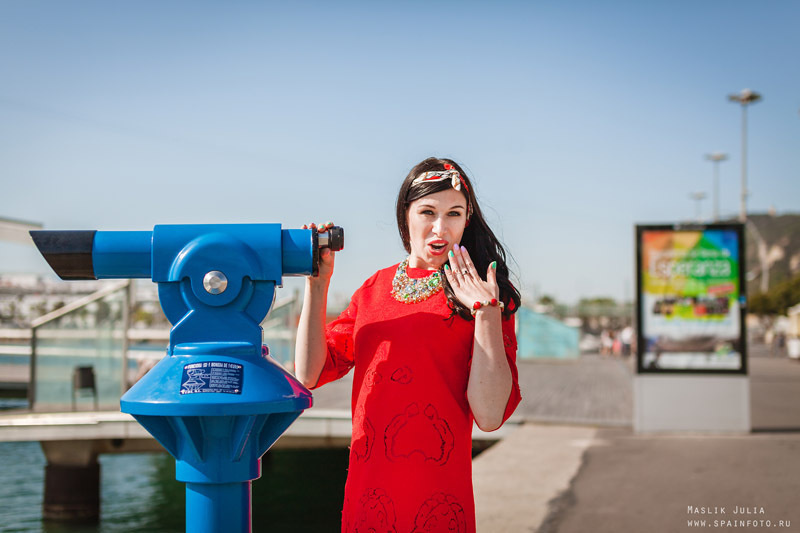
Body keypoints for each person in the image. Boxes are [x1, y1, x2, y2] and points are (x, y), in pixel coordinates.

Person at [294, 157, 522, 533]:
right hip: (367, 496)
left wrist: (486, 313)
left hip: (438, 501)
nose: (440, 227)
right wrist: (316, 285)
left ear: (467, 220)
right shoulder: (373, 289)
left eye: (454, 213)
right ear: (406, 216)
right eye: (428, 211)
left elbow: (490, 415)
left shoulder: (485, 294)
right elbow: (310, 372)